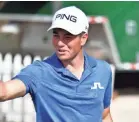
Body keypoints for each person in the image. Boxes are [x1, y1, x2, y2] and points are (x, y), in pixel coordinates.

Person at [0, 6, 113, 122]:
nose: (60, 43)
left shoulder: (102, 69)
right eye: (56, 35)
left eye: (67, 37)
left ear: (83, 38)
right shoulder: (39, 72)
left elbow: (104, 116)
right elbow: (4, 92)